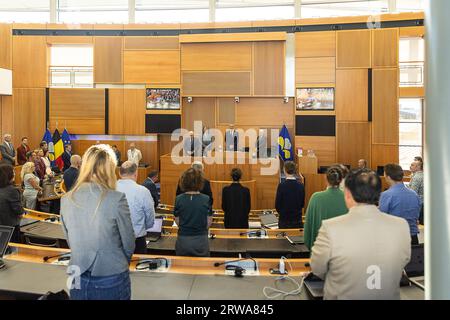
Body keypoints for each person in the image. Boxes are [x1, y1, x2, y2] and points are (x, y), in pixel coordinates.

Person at [310, 169, 411, 300]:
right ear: (379, 193)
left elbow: (317, 268)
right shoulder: (401, 225)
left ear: (347, 194)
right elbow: (403, 261)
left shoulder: (330, 227)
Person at [60, 144, 135, 300]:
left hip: (76, 275)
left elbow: (70, 239)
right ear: (110, 169)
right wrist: (119, 262)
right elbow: (129, 242)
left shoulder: (66, 199)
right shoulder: (116, 198)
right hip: (111, 275)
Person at [304, 166, 348, 251]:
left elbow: (308, 226)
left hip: (320, 251)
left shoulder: (316, 197)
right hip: (342, 252)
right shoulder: (348, 198)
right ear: (341, 180)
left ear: (326, 180)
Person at [117, 161, 155, 254]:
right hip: (137, 240)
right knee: (138, 267)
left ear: (119, 173)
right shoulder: (143, 191)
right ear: (136, 173)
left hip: (114, 240)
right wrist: (141, 227)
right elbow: (150, 219)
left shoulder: (109, 189)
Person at [174, 168, 212, 257]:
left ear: (183, 181)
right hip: (201, 240)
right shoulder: (206, 199)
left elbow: (177, 220)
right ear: (200, 182)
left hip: (183, 240)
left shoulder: (178, 199)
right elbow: (209, 222)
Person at [379, 164, 421, 245]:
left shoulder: (386, 195)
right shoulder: (414, 194)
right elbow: (416, 216)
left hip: (394, 239)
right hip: (413, 239)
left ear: (388, 177)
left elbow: (381, 218)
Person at [275, 161, 305, 229]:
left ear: (284, 170)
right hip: (297, 221)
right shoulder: (301, 186)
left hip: (284, 221)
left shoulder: (281, 186)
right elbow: (302, 204)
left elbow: (277, 205)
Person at [0, 164, 23, 243]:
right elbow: (18, 210)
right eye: (13, 172)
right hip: (11, 226)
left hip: (2, 225)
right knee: (14, 248)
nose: (14, 173)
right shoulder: (12, 190)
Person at [409, 159, 424, 225]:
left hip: (419, 203)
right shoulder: (422, 174)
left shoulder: (417, 177)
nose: (410, 166)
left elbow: (413, 193)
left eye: (412, 165)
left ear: (418, 167)